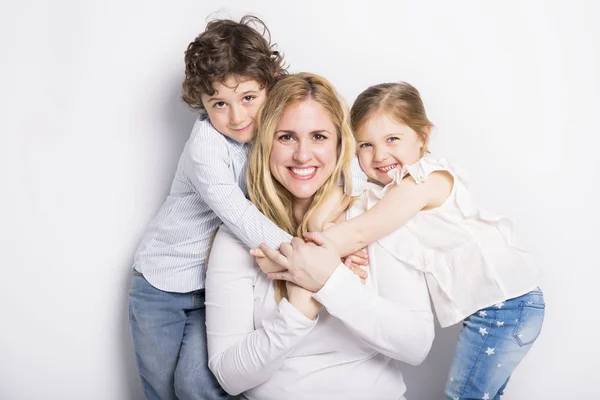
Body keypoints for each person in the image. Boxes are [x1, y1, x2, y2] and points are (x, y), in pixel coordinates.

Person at [128, 16, 365, 400]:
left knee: (197, 384)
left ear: (270, 86)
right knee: (160, 389)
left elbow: (335, 157)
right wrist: (303, 256)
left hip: (211, 287)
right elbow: (238, 214)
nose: (237, 117)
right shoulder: (206, 145)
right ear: (202, 104)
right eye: (219, 103)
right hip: (161, 282)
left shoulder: (274, 133)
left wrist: (341, 227)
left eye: (248, 98)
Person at [265, 81, 545, 400]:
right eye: (365, 145)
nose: (380, 154)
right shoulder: (383, 190)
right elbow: (326, 215)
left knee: (463, 394)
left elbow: (361, 230)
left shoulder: (425, 181)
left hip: (507, 305)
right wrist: (336, 244)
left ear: (423, 137)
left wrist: (301, 256)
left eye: (392, 139)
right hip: (494, 309)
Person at [205, 73, 435, 400]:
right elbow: (229, 375)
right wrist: (299, 307)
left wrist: (328, 280)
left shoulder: (374, 217)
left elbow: (416, 345)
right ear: (266, 142)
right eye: (286, 137)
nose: (302, 155)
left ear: (341, 144)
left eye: (318, 136)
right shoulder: (236, 237)